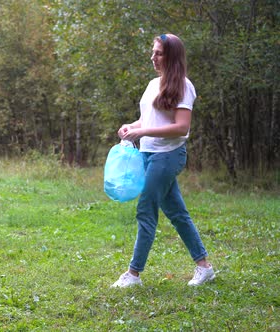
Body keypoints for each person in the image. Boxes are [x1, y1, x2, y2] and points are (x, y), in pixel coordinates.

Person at [112, 34, 215, 288]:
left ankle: (133, 274)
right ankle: (205, 267)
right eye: (153, 52)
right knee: (177, 212)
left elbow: (181, 127)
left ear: (172, 56)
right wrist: (131, 126)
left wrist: (143, 132)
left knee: (146, 209)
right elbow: (148, 120)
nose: (153, 57)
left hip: (168, 156)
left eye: (159, 53)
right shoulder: (152, 85)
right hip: (148, 154)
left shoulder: (184, 86)